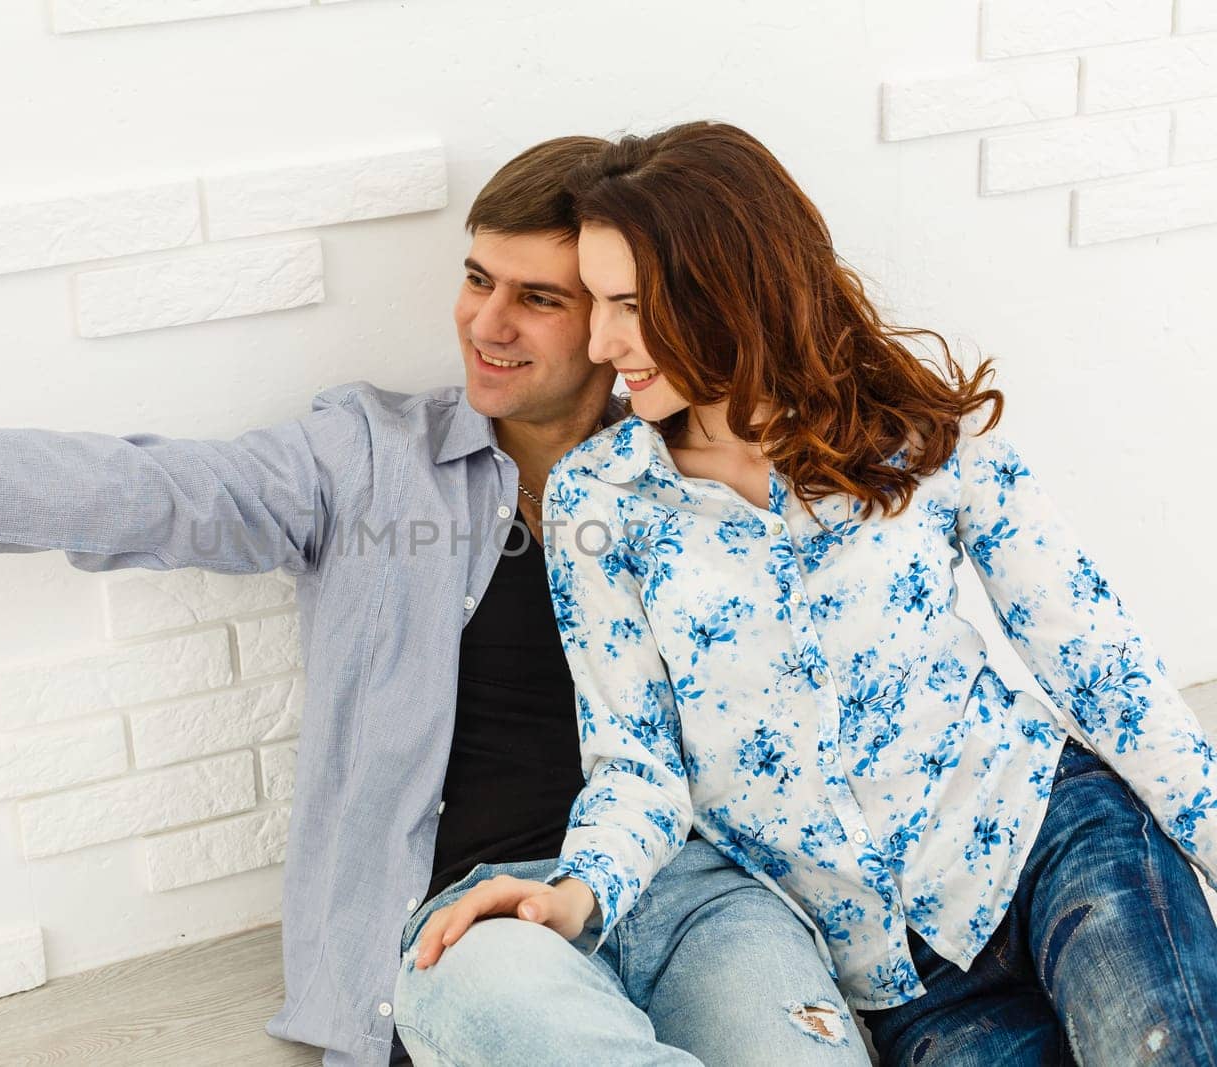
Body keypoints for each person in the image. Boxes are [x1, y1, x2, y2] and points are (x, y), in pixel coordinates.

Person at [0, 136, 866, 1066]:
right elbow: (130, 491)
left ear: (619, 315)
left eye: (538, 299)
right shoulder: (369, 461)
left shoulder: (713, 463)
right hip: (474, 921)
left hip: (699, 893)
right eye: (473, 277)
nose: (482, 324)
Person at [418, 121, 1217, 1064]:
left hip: (1052, 842)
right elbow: (637, 758)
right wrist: (575, 888)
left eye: (628, 304)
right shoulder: (602, 499)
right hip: (893, 972)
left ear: (728, 288)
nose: (601, 341)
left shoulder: (911, 430)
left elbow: (1094, 659)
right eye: (594, 302)